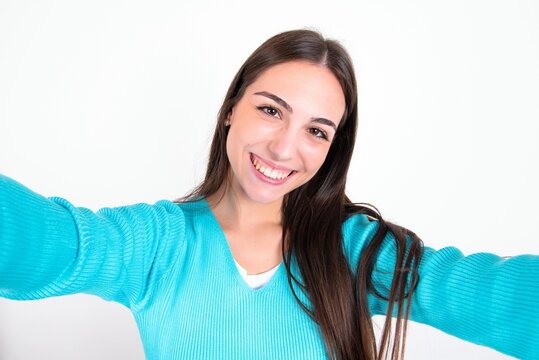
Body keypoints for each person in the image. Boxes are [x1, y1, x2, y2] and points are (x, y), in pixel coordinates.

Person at [0, 29, 538, 360]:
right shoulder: (158, 242)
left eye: (317, 130)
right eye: (271, 110)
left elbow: (487, 294)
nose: (285, 147)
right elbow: (51, 244)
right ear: (232, 107)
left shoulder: (355, 249)